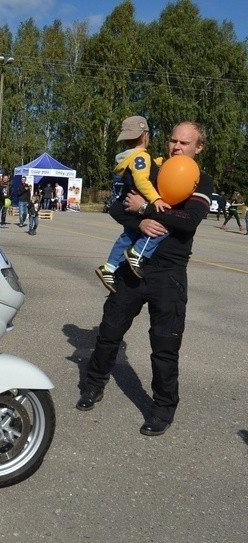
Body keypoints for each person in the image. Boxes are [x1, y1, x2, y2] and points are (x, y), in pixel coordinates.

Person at [77, 121, 213, 437]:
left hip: (169, 275)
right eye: (173, 141)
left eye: (184, 143)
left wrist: (147, 207)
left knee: (165, 345)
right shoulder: (150, 170)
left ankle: (163, 408)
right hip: (132, 269)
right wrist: (141, 223)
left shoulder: (201, 181)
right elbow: (116, 207)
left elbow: (188, 221)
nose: (177, 147)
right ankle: (94, 384)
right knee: (109, 330)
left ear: (198, 148)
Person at [95, 116, 173, 292]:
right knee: (161, 228)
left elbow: (147, 167)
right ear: (145, 135)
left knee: (127, 236)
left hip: (128, 203)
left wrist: (162, 162)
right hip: (139, 202)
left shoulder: (131, 157)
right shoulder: (141, 157)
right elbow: (142, 180)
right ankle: (138, 254)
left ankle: (109, 268)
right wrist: (156, 199)